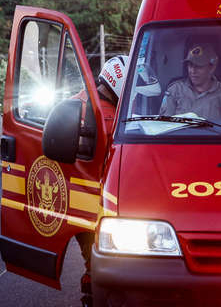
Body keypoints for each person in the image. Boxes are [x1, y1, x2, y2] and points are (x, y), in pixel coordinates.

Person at [73, 55, 129, 307]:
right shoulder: (110, 116)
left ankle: (91, 294)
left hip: (76, 195)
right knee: (103, 259)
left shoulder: (77, 101)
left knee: (90, 254)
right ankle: (92, 297)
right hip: (102, 198)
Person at [160, 43, 221, 121]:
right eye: (190, 65)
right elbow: (164, 124)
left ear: (212, 68)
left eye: (198, 66)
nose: (192, 71)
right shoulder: (175, 90)